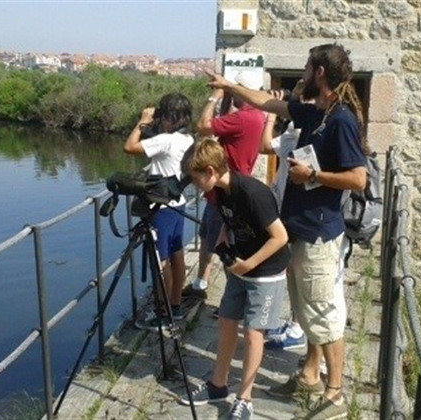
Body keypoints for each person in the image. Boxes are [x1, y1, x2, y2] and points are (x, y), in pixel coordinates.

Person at [206, 44, 368, 420]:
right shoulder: (315, 113)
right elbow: (265, 103)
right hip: (300, 231)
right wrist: (230, 86)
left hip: (318, 235)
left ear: (321, 73)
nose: (303, 74)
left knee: (323, 313)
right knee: (306, 310)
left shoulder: (341, 119)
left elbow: (359, 178)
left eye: (308, 68)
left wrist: (312, 175)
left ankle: (335, 394)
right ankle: (310, 375)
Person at [178, 139, 290, 420]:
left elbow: (281, 237)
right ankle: (218, 384)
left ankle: (245, 399)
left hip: (265, 271)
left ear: (211, 171)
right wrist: (223, 241)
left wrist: (249, 264)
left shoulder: (253, 193)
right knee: (227, 323)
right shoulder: (221, 192)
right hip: (239, 267)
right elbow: (230, 222)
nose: (194, 184)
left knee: (254, 334)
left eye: (195, 178)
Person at [189, 71, 266, 295]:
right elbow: (220, 125)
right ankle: (201, 282)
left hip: (224, 190)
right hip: (229, 187)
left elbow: (203, 126)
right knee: (208, 236)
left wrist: (216, 95)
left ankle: (231, 297)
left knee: (223, 245)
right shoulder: (256, 114)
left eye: (234, 87)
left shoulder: (242, 118)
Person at [123, 93, 194, 330]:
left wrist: (142, 122)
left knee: (160, 262)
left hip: (161, 209)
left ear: (168, 117)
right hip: (178, 203)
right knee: (177, 257)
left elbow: (129, 147)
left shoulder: (166, 140)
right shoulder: (187, 139)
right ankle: (175, 308)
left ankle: (163, 315)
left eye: (162, 116)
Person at [259, 88, 306, 351]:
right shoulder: (297, 133)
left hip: (294, 214)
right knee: (294, 273)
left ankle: (298, 328)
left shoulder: (295, 134)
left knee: (297, 275)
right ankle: (296, 324)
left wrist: (270, 115)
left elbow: (264, 145)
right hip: (292, 212)